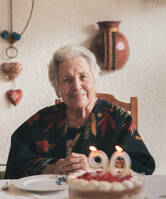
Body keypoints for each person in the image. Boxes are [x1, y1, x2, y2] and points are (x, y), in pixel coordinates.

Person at [5, 45, 155, 179]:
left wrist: (95, 168)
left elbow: (142, 167)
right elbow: (16, 163)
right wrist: (50, 168)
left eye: (83, 77)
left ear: (94, 80)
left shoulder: (118, 118)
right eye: (67, 80)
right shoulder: (43, 120)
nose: (77, 86)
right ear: (57, 89)